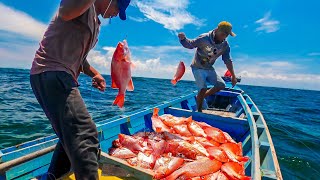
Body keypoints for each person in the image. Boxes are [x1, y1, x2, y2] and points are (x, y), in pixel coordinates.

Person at [29, 0, 131, 179]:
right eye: (117, 8)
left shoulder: (95, 22)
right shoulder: (84, 4)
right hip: (52, 72)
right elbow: (65, 10)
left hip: (58, 76)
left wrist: (95, 74)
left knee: (69, 132)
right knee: (85, 135)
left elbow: (80, 59)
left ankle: (54, 175)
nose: (116, 14)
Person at [178, 21, 237, 112]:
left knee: (221, 85)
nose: (224, 37)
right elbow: (190, 44)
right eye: (223, 34)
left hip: (209, 68)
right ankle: (199, 111)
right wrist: (183, 39)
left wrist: (233, 75)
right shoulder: (204, 38)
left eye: (227, 35)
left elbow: (227, 60)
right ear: (217, 30)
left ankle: (201, 97)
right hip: (197, 67)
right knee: (203, 88)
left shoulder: (225, 46)